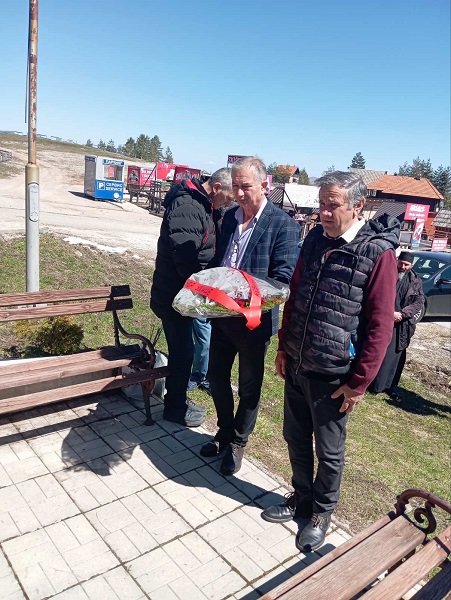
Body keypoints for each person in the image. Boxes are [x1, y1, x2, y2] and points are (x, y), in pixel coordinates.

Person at [261, 171, 399, 553]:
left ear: (357, 206)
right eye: (321, 204)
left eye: (332, 205)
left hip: (335, 376)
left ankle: (321, 513)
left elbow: (380, 325)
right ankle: (301, 498)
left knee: (329, 451)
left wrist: (358, 383)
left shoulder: (378, 254)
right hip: (299, 362)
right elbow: (295, 295)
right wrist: (284, 347)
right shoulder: (314, 240)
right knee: (294, 437)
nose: (323, 212)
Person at [200, 156, 300, 475]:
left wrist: (243, 291)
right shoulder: (228, 217)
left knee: (248, 385)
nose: (240, 194)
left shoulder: (283, 225)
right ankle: (224, 431)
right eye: (236, 187)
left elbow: (282, 278)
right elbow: (219, 260)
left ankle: (238, 441)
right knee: (216, 377)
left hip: (253, 322)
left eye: (246, 187)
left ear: (264, 185)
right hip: (221, 316)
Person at [150, 168, 233, 427]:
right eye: (229, 197)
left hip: (184, 296)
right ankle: (174, 408)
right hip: (176, 296)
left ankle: (177, 400)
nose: (229, 203)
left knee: (184, 351)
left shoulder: (204, 205)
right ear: (216, 188)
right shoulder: (188, 206)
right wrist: (205, 290)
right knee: (183, 353)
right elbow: (185, 259)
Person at [369, 251, 424, 401]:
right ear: (397, 260)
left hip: (401, 324)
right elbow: (377, 293)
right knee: (377, 350)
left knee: (394, 357)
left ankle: (388, 386)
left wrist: (403, 314)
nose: (403, 267)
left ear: (411, 265)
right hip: (383, 319)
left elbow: (419, 302)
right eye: (402, 263)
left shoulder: (415, 280)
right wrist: (389, 313)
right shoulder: (387, 274)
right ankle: (372, 384)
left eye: (407, 265)